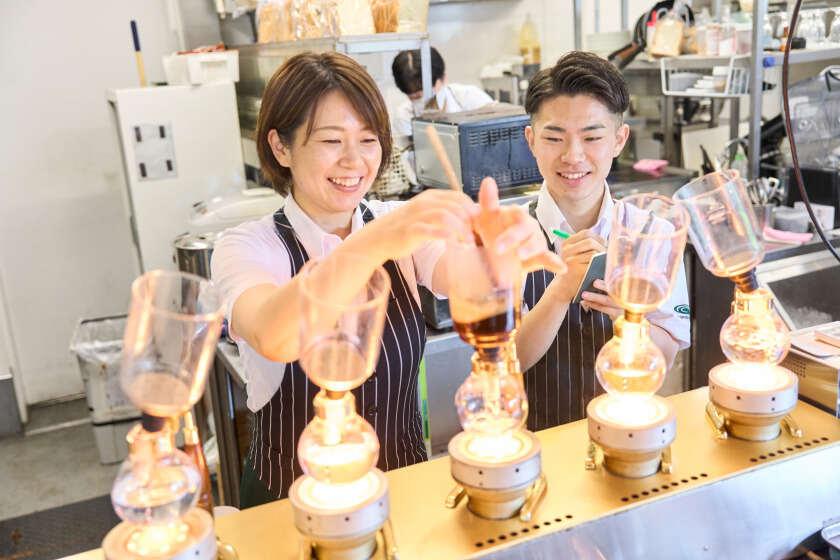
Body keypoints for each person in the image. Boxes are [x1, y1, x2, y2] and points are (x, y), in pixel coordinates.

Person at [211, 51, 561, 506]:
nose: (355, 161)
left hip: (405, 493)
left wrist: (499, 253)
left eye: (369, 139)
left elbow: (468, 285)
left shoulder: (398, 225)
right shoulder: (247, 246)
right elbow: (276, 335)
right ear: (281, 147)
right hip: (292, 505)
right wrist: (377, 240)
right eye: (332, 141)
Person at [515, 51, 691, 431]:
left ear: (619, 139)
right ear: (531, 140)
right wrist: (560, 291)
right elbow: (504, 361)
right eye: (554, 137)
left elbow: (666, 355)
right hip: (534, 447)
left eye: (592, 137)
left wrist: (630, 316)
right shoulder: (505, 237)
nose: (573, 156)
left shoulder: (653, 233)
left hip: (631, 433)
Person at [388, 46, 494, 139]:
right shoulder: (404, 117)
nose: (422, 101)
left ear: (443, 79)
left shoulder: (470, 97)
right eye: (413, 97)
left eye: (421, 94)